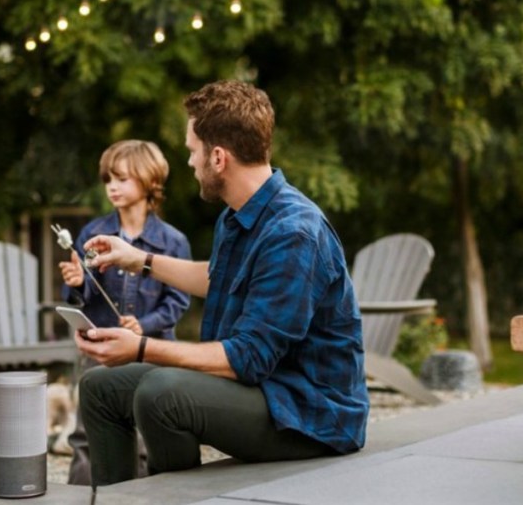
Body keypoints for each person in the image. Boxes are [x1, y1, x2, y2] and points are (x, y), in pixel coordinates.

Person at [75, 81, 369, 486]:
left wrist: (141, 348)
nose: (190, 162)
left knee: (161, 393)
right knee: (99, 388)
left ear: (218, 157)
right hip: (266, 390)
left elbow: (249, 357)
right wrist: (137, 259)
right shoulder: (240, 214)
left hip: (309, 411)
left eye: (193, 151)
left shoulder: (293, 232)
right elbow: (217, 278)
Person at [58, 139, 192, 484]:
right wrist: (75, 282)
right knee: (87, 437)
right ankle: (84, 496)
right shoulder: (92, 233)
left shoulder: (173, 242)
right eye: (108, 179)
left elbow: (177, 302)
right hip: (101, 352)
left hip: (152, 354)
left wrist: (142, 325)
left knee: (148, 438)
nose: (112, 187)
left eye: (122, 178)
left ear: (149, 181)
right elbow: (80, 296)